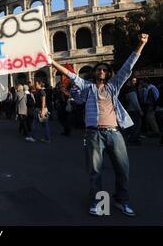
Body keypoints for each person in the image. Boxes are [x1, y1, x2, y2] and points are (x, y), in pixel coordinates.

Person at [50, 33, 149, 217]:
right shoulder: (88, 87)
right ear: (95, 72)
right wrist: (52, 62)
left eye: (104, 70)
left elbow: (128, 67)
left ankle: (121, 200)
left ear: (108, 73)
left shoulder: (113, 86)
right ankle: (98, 203)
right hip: (93, 134)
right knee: (95, 171)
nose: (101, 71)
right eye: (99, 70)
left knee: (122, 169)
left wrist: (141, 44)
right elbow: (72, 76)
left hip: (114, 133)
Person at [124, 78, 143, 145]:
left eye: (135, 81)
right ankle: (133, 139)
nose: (135, 82)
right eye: (133, 81)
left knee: (133, 125)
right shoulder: (132, 89)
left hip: (129, 109)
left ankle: (132, 138)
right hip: (134, 110)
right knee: (136, 125)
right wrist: (140, 110)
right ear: (129, 81)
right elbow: (134, 101)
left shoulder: (127, 89)